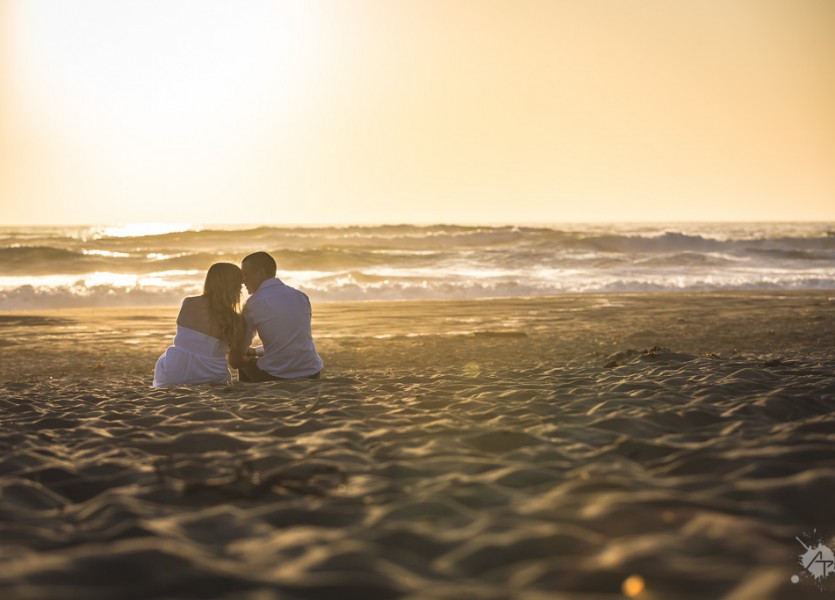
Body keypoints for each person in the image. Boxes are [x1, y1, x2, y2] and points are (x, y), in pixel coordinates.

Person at [229, 251, 323, 381]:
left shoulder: (253, 304)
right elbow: (290, 341)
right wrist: (255, 351)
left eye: (245, 275)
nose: (243, 281)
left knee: (244, 365)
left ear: (261, 273)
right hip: (312, 372)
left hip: (276, 375)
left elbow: (236, 360)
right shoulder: (300, 296)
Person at [153, 263, 246, 387]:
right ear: (234, 288)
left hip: (172, 372)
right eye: (240, 286)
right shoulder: (236, 320)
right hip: (210, 375)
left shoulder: (188, 303)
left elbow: (195, 343)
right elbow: (235, 362)